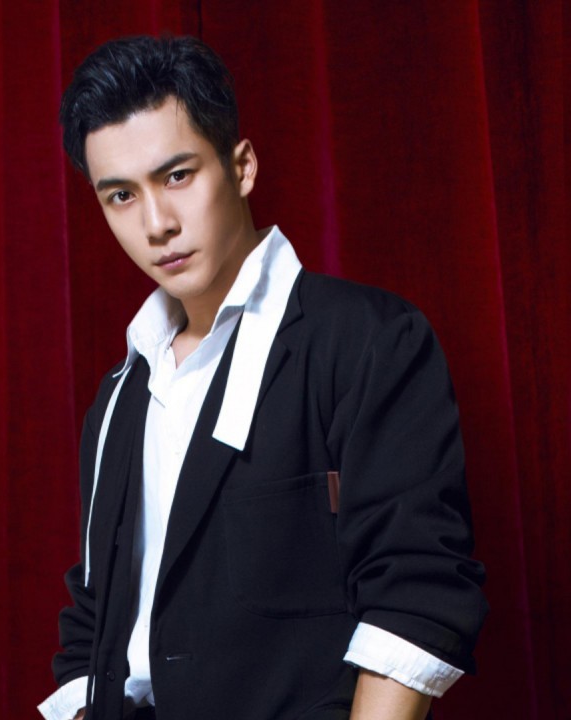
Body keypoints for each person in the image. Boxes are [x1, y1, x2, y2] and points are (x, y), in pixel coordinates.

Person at [38, 35, 487, 720]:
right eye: (121, 195)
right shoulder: (121, 394)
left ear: (242, 166)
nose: (156, 224)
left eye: (177, 176)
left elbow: (415, 594)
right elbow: (93, 622)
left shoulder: (366, 339)